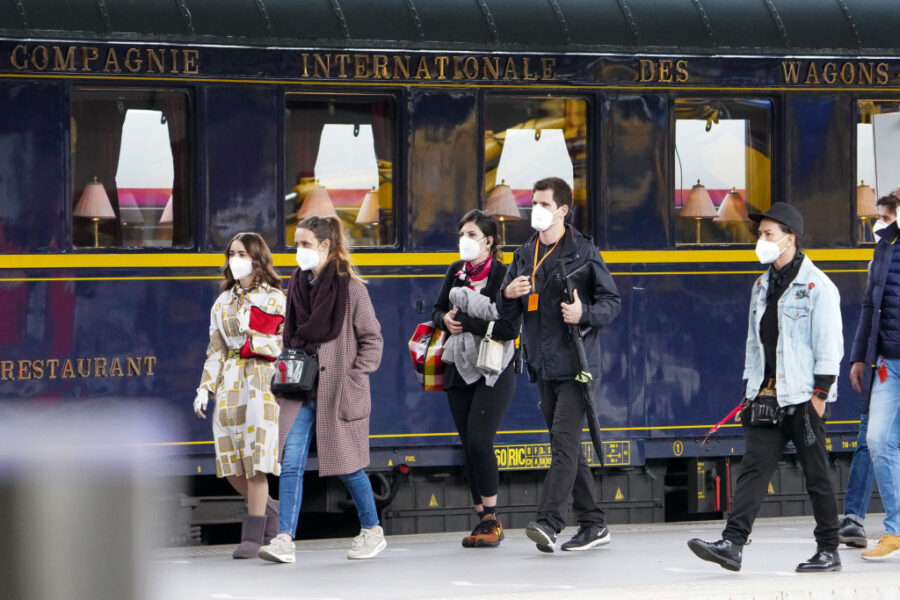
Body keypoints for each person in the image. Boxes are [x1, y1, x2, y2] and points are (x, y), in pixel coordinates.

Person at [688, 203, 843, 572]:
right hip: (766, 396)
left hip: (803, 397)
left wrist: (819, 396)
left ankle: (829, 550)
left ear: (789, 238)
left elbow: (829, 344)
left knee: (816, 474)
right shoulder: (761, 286)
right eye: (760, 234)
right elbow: (753, 344)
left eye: (768, 234)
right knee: (753, 470)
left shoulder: (816, 286)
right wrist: (749, 389)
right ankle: (732, 544)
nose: (761, 240)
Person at [498, 177, 621, 552]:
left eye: (544, 204)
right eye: (534, 202)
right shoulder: (524, 253)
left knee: (564, 443)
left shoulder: (584, 252)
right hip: (543, 365)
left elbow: (611, 302)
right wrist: (507, 294)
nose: (535, 209)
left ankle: (549, 522)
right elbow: (507, 317)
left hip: (577, 365)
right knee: (567, 446)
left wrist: (584, 313)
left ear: (563, 210)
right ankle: (594, 523)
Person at [258, 216, 385, 563]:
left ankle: (372, 530)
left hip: (338, 390)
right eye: (296, 244)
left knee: (347, 466)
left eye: (304, 244)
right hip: (300, 388)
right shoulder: (296, 285)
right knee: (291, 462)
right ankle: (284, 539)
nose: (298, 252)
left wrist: (355, 377)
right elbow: (290, 335)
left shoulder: (352, 289)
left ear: (325, 246)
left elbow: (373, 339)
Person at [193, 232, 286, 558]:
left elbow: (281, 345)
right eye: (231, 253)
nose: (235, 259)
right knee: (231, 463)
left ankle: (254, 534)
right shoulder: (222, 302)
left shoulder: (275, 299)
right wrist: (204, 388)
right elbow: (216, 350)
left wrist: (253, 339)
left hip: (261, 381)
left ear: (257, 258)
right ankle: (271, 515)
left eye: (242, 253)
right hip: (230, 382)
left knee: (256, 461)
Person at [431, 209, 521, 547]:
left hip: (495, 369)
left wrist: (466, 321)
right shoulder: (455, 272)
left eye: (471, 235)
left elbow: (510, 328)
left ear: (488, 241)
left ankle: (492, 518)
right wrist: (445, 322)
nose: (464, 241)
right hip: (459, 365)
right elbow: (437, 310)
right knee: (467, 442)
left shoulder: (503, 276)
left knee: (481, 439)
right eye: (462, 235)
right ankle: (482, 519)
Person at [841, 194, 898, 549]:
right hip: (887, 363)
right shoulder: (883, 250)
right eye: (879, 216)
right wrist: (859, 356)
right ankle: (889, 528)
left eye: (888, 215)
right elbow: (869, 304)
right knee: (875, 438)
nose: (880, 222)